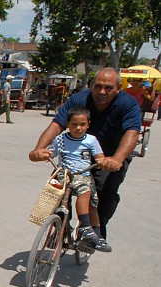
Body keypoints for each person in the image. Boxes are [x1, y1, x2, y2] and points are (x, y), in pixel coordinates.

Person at [29, 67, 141, 242]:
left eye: (108, 88)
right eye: (98, 86)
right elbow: (57, 124)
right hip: (78, 152)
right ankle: (60, 227)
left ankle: (94, 234)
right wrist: (39, 148)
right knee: (58, 186)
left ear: (118, 88)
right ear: (92, 85)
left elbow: (132, 132)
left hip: (111, 155)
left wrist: (117, 159)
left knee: (103, 191)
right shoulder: (79, 99)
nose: (102, 91)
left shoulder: (127, 104)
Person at [30, 106, 110, 251]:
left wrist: (102, 161)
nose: (78, 128)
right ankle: (61, 229)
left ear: (88, 124)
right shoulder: (60, 139)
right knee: (54, 198)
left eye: (82, 125)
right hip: (63, 174)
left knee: (86, 194)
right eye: (74, 124)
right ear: (67, 124)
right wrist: (41, 154)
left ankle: (87, 228)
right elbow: (50, 153)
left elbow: (100, 157)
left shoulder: (91, 140)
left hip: (82, 174)